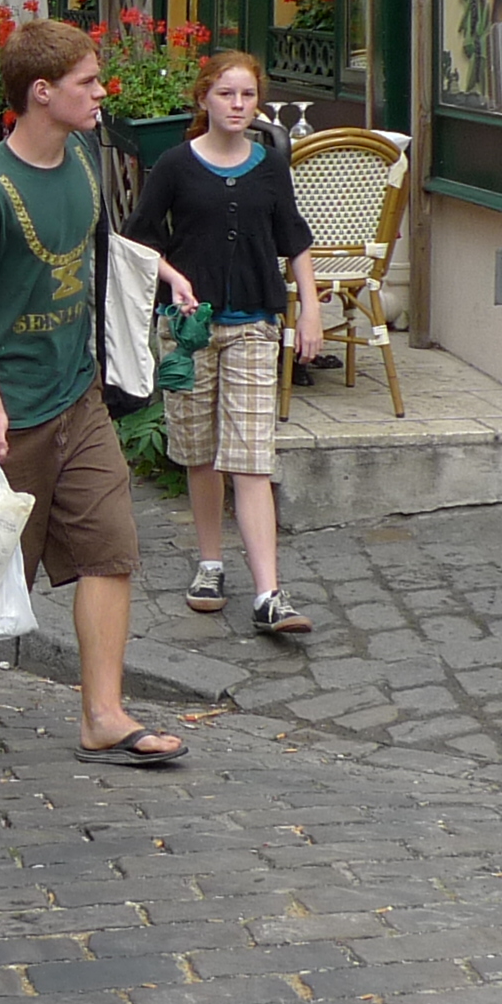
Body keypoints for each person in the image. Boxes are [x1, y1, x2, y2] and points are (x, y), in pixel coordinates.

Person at [0, 18, 198, 765]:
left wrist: (161, 270)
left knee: (112, 549)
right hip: (4, 413)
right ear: (41, 93)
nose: (102, 91)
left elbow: (96, 242)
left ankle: (103, 714)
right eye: (88, 81)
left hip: (78, 395)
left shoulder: (81, 156)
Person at [126, 50, 322, 638]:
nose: (238, 106)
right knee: (199, 451)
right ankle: (210, 564)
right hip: (187, 331)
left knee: (252, 457)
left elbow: (294, 237)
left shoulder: (269, 166)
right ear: (204, 100)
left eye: (247, 96)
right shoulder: (174, 166)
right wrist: (174, 278)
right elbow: (139, 239)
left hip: (254, 324)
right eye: (226, 95)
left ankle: (269, 594)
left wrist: (309, 308)